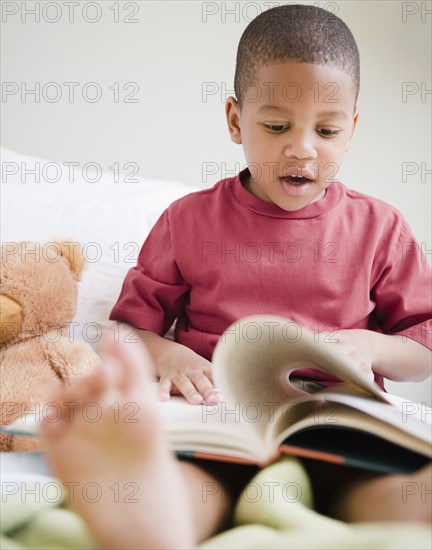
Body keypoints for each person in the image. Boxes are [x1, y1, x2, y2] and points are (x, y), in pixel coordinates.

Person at [41, 5, 431, 550]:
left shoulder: (380, 227)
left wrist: (370, 345)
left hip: (336, 425)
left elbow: (423, 348)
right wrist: (170, 355)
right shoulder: (188, 220)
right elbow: (125, 335)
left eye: (327, 129)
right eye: (276, 126)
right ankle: (150, 514)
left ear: (353, 129)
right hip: (217, 422)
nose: (302, 148)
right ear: (234, 120)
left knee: (380, 488)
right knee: (197, 486)